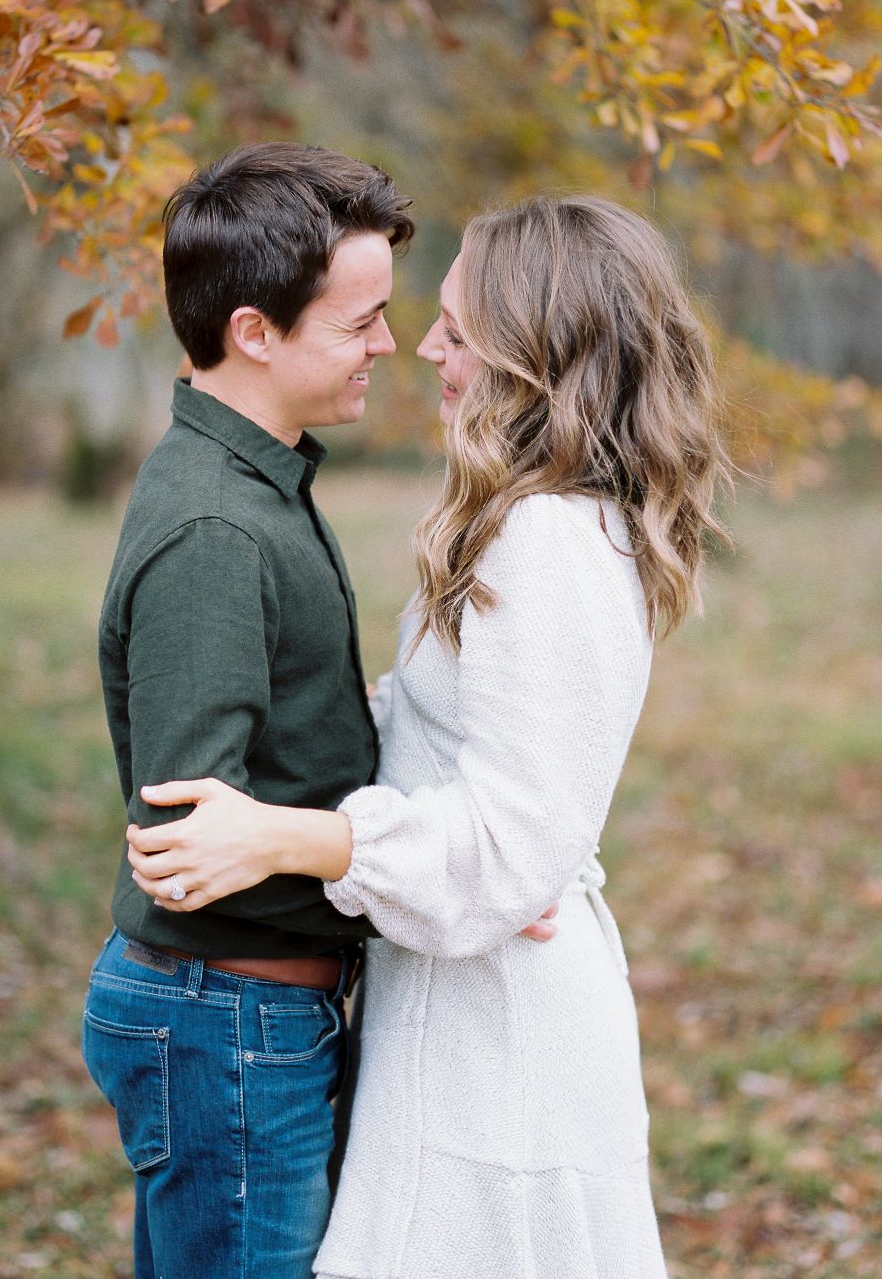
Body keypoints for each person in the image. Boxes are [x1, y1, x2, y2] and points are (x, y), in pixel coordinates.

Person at [128, 194, 730, 1279]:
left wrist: (286, 836)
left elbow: (503, 844)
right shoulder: (537, 520)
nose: (426, 348)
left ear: (536, 354)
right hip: (461, 984)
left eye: (457, 327)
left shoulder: (544, 543)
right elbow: (478, 760)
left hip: (497, 1035)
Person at [83, 144, 556, 1279]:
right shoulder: (218, 530)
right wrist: (423, 883)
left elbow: (297, 751)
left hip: (248, 1022)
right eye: (359, 323)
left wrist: (471, 859)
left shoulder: (261, 484)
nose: (391, 346)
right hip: (225, 1026)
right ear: (255, 332)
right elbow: (192, 843)